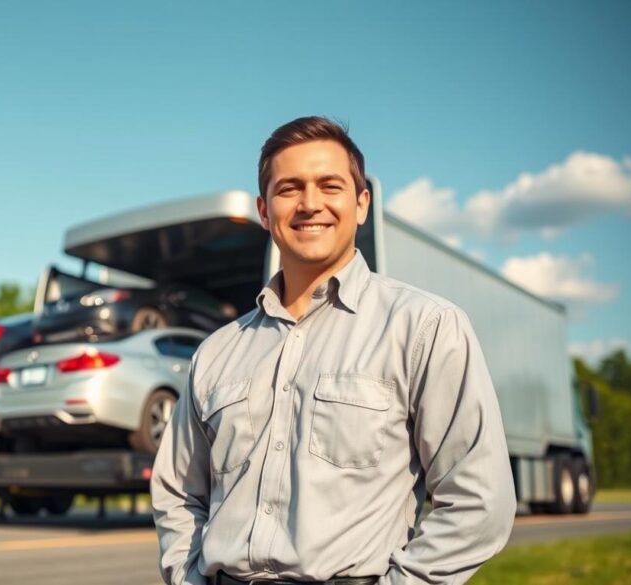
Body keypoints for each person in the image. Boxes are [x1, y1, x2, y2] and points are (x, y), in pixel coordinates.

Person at [151, 116, 516, 585]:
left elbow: (479, 500)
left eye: (330, 186)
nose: (310, 204)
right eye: (289, 189)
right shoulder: (216, 354)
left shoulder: (424, 327)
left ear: (361, 204)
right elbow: (177, 492)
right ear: (265, 211)